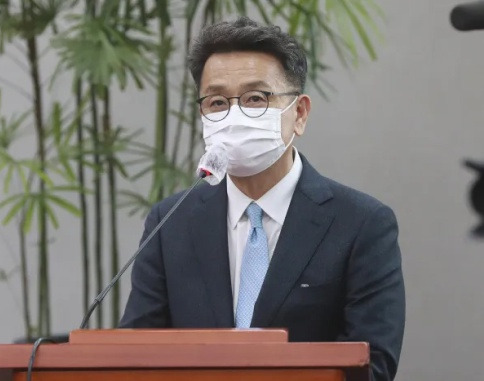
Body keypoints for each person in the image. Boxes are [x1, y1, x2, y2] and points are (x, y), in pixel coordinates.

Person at [120, 17, 405, 381]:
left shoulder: (362, 224)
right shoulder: (170, 222)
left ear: (299, 113)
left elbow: (373, 365)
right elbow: (135, 356)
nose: (234, 115)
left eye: (256, 98)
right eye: (217, 101)